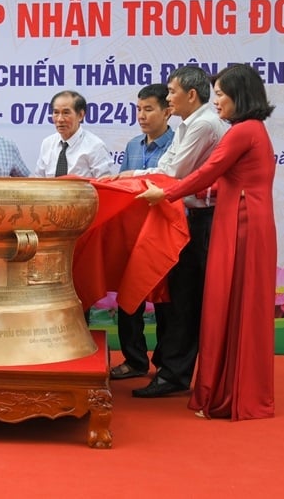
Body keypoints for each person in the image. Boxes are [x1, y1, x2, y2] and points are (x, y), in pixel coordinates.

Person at [138, 64, 277, 420]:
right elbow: (218, 182)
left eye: (220, 94)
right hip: (245, 218)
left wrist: (165, 195)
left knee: (225, 306)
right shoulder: (252, 130)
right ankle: (228, 387)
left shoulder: (241, 132)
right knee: (232, 307)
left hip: (239, 224)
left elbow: (205, 172)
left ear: (238, 96)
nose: (216, 101)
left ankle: (226, 393)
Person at [123, 66, 228, 398]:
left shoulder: (205, 125)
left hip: (208, 219)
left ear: (190, 95)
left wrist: (127, 179)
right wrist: (128, 177)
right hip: (192, 219)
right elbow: (165, 166)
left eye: (171, 92)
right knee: (179, 295)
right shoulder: (188, 125)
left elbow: (171, 172)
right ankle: (171, 369)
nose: (168, 98)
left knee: (187, 299)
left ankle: (176, 374)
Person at [108, 84, 173, 381]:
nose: (142, 116)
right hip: (133, 234)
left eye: (149, 109)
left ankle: (166, 364)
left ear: (167, 111)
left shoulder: (178, 144)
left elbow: (173, 183)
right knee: (129, 298)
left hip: (164, 233)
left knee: (166, 303)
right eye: (139, 109)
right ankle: (134, 360)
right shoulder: (133, 145)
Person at [32, 90, 115, 178]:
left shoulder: (95, 146)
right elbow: (39, 180)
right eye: (56, 112)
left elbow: (105, 185)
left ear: (80, 115)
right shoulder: (47, 143)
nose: (60, 119)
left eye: (66, 113)